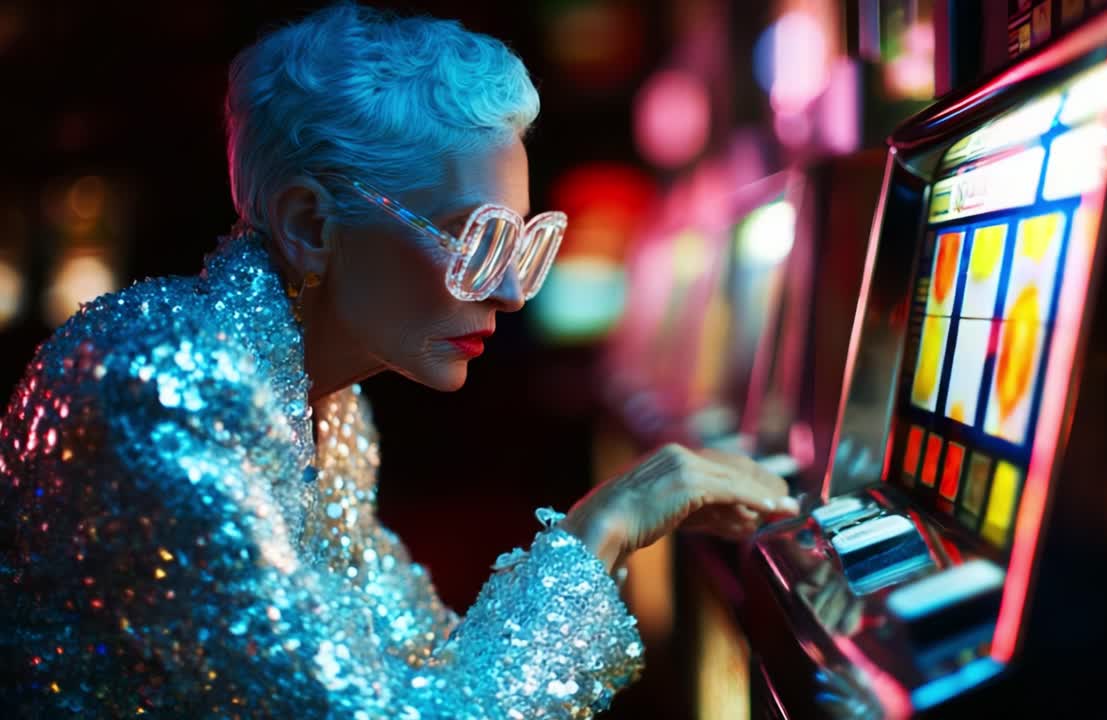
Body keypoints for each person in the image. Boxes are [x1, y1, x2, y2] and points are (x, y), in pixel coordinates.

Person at [0, 3, 798, 718]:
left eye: (524, 240)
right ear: (311, 222)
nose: (515, 292)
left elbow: (429, 667)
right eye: (479, 236)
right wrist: (607, 525)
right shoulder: (159, 384)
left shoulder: (328, 406)